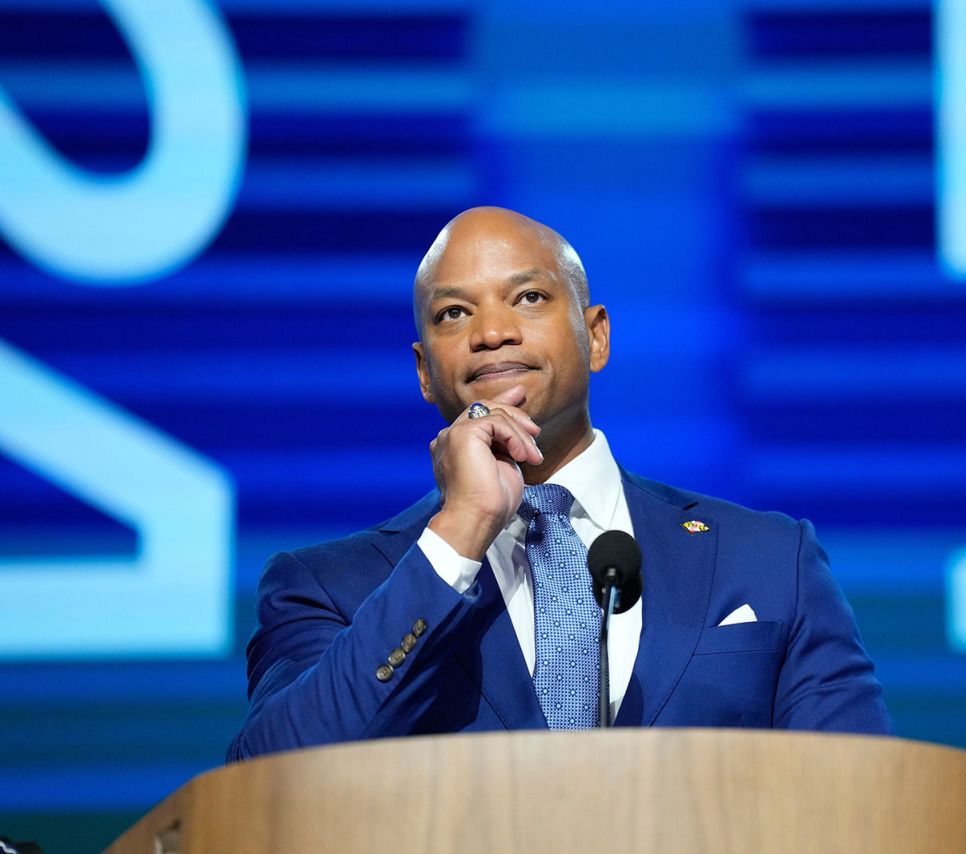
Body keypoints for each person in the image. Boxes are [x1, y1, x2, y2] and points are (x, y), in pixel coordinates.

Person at [227, 207, 892, 760]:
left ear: (595, 337)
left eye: (529, 298)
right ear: (425, 371)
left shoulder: (770, 560)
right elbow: (272, 784)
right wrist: (460, 531)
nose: (492, 332)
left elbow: (863, 800)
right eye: (453, 314)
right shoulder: (326, 587)